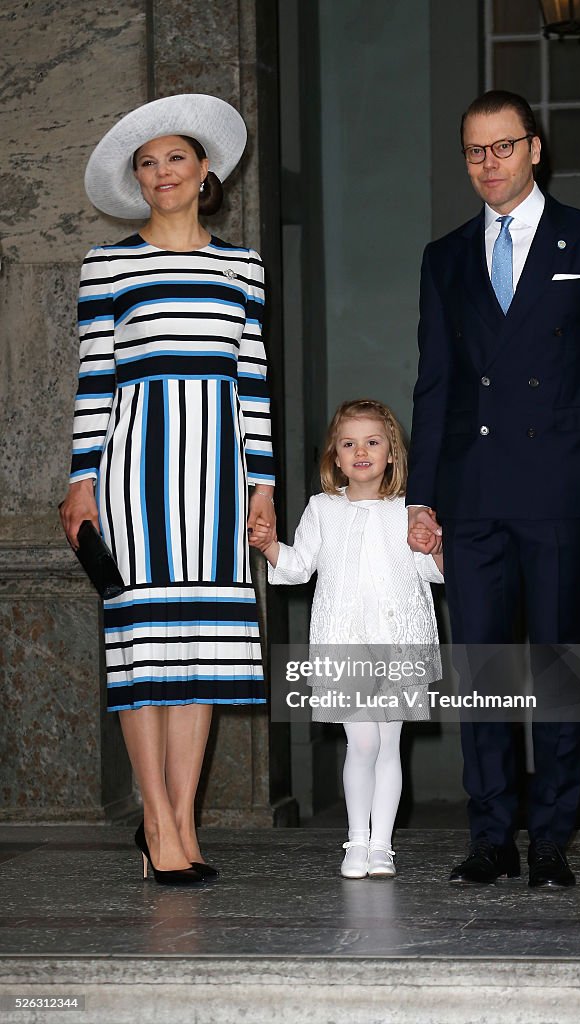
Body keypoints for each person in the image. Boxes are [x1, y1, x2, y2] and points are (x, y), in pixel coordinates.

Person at [406, 90, 580, 887]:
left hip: (562, 487)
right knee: (481, 670)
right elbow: (434, 384)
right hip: (472, 492)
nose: (488, 165)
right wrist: (420, 494)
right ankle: (490, 835)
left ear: (534, 148)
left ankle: (550, 836)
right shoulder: (443, 255)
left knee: (554, 667)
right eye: (474, 152)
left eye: (502, 147)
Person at [59, 94, 276, 886]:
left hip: (218, 480)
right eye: (147, 164)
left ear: (205, 170)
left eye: (174, 158)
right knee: (145, 657)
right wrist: (80, 483)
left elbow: (252, 383)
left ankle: (185, 819)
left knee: (202, 656)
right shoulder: (107, 265)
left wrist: (263, 485)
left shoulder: (241, 267)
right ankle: (155, 823)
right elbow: (93, 383)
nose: (161, 174)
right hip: (132, 482)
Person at [250, 399, 443, 879]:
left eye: (373, 442)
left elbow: (433, 573)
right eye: (349, 443)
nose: (361, 451)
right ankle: (356, 840)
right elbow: (297, 568)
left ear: (392, 453)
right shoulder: (323, 509)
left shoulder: (410, 511)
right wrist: (270, 545)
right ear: (334, 457)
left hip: (399, 641)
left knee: (389, 745)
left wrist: (436, 544)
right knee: (362, 744)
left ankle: (383, 847)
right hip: (344, 642)